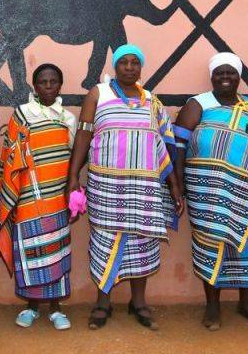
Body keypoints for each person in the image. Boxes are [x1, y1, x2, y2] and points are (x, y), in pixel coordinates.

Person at [66, 44, 184, 331]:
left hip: (144, 186)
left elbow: (163, 146)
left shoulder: (151, 101)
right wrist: (73, 176)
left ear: (140, 68)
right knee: (103, 240)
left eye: (135, 63)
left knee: (143, 242)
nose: (129, 67)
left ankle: (139, 303)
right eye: (124, 63)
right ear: (115, 67)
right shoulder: (99, 93)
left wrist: (174, 185)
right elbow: (83, 136)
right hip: (106, 184)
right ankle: (102, 303)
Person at [173, 52, 248, 331]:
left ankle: (247, 304)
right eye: (219, 73)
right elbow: (177, 147)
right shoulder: (198, 105)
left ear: (239, 77)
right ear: (212, 77)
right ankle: (213, 306)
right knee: (212, 243)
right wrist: (178, 186)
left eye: (230, 73)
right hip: (208, 192)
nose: (225, 77)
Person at [0, 64, 76, 331]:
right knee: (31, 251)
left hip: (56, 195)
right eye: (43, 82)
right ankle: (32, 307)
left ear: (60, 85)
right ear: (34, 87)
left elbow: (72, 157)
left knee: (57, 252)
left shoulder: (67, 118)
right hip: (26, 195)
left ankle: (56, 309)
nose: (48, 86)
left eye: (53, 82)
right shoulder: (22, 114)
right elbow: (9, 155)